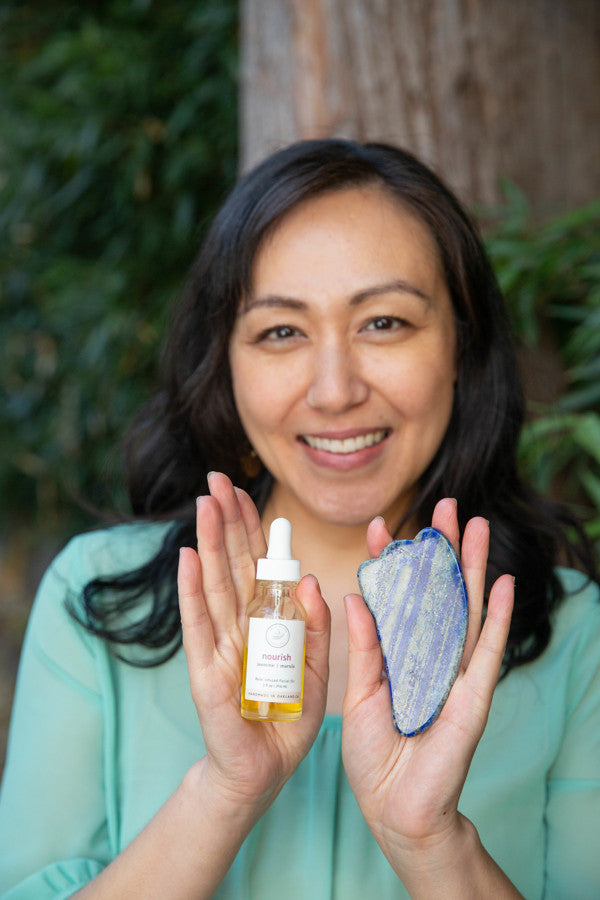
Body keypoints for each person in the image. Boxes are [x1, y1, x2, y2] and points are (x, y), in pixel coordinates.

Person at [0, 139, 598, 899]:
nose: (335, 390)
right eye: (281, 331)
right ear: (226, 363)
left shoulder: (573, 635)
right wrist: (225, 792)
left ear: (462, 346)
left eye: (384, 323)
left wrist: (431, 841)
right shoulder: (96, 599)